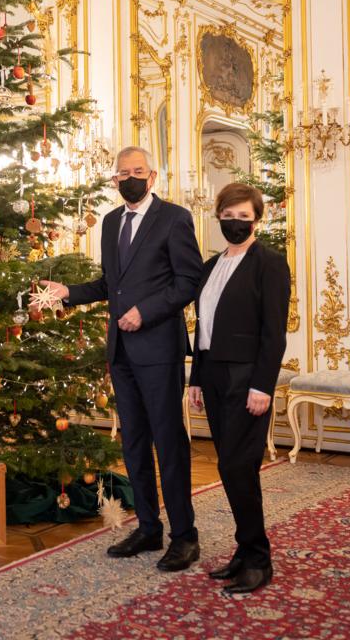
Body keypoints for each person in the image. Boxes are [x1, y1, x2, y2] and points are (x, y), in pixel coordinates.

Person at [39, 146, 203, 572]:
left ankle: (185, 537)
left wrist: (146, 312)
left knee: (168, 443)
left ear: (152, 176)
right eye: (123, 173)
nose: (129, 178)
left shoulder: (175, 218)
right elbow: (111, 284)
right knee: (132, 442)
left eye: (138, 171)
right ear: (114, 180)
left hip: (160, 349)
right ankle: (149, 527)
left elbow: (189, 281)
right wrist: (69, 294)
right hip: (121, 352)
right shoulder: (111, 223)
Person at [188, 183, 289, 595]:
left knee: (238, 465)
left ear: (256, 218)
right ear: (219, 217)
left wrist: (262, 385)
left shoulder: (270, 263)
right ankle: (244, 552)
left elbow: (274, 333)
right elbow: (203, 327)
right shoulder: (211, 266)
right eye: (227, 217)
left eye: (243, 217)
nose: (234, 223)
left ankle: (258, 558)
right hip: (212, 374)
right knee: (228, 464)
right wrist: (195, 377)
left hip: (248, 378)